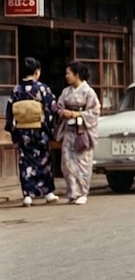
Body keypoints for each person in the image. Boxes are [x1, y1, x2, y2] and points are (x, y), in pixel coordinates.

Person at [4, 57, 59, 206]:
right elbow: (51, 108)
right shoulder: (42, 88)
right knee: (44, 159)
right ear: (36, 72)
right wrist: (50, 126)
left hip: (23, 131)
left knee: (25, 161)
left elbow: (10, 112)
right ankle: (48, 193)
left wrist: (14, 131)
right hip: (39, 130)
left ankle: (27, 195)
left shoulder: (17, 89)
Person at [55, 61, 100, 205]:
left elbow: (95, 111)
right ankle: (72, 192)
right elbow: (58, 107)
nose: (66, 76)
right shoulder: (66, 92)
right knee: (66, 162)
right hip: (69, 130)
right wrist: (62, 112)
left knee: (82, 162)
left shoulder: (88, 92)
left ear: (77, 75)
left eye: (68, 73)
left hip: (82, 131)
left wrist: (77, 114)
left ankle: (82, 192)